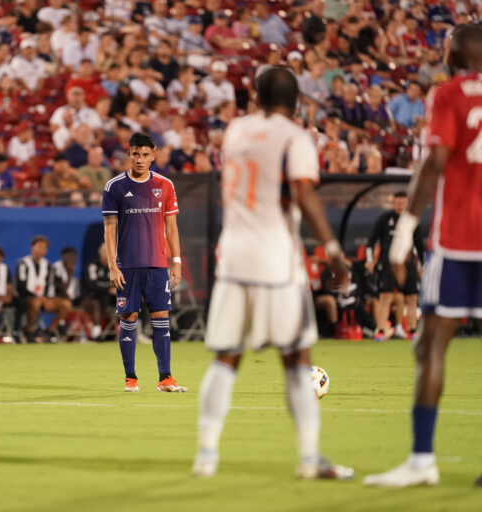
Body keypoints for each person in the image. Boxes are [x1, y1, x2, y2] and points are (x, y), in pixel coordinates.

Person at [191, 67, 353, 480]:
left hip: (233, 259)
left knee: (226, 358)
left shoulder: (236, 132)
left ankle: (206, 454)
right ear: (297, 100)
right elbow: (301, 192)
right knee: (297, 359)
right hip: (277, 261)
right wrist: (333, 251)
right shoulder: (295, 138)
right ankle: (310, 458)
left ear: (255, 96)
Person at [365, 24, 482, 489]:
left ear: (453, 57)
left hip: (457, 240)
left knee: (430, 344)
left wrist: (402, 235)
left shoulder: (449, 94)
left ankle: (421, 460)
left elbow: (434, 163)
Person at [102, 132, 186, 393]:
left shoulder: (165, 185)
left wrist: (177, 261)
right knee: (130, 317)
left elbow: (171, 227)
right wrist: (113, 266)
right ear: (130, 153)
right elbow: (109, 228)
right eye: (136, 154)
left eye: (146, 155)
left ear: (154, 155)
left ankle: (165, 378)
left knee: (161, 318)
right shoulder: (114, 187)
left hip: (157, 264)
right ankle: (131, 378)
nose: (140, 159)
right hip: (127, 265)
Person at [365, 192, 424, 341]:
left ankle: (412, 330)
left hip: (408, 264)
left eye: (404, 203)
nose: (401, 206)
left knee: (412, 297)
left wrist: (423, 265)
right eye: (398, 203)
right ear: (394, 203)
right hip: (387, 264)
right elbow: (371, 241)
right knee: (385, 296)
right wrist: (370, 260)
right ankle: (380, 331)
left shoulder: (412, 221)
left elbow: (420, 245)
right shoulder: (384, 219)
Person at [16, 235, 71, 343]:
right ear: (32, 247)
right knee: (36, 302)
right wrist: (37, 297)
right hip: (26, 299)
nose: (42, 250)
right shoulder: (23, 263)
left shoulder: (47, 265)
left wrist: (46, 298)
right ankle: (29, 329)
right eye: (39, 247)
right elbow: (21, 286)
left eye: (45, 248)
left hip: (44, 298)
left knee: (66, 304)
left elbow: (49, 285)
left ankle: (49, 331)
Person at [81, 242, 114, 340]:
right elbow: (90, 285)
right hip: (92, 298)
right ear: (99, 251)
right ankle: (96, 333)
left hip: (112, 300)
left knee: (135, 299)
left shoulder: (116, 267)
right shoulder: (92, 266)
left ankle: (137, 331)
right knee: (96, 302)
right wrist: (108, 290)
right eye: (104, 250)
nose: (107, 253)